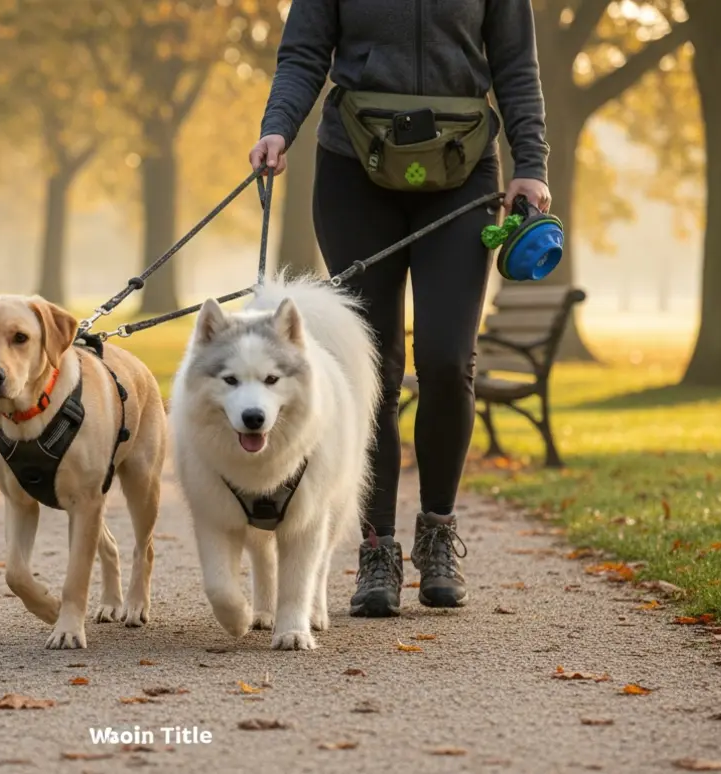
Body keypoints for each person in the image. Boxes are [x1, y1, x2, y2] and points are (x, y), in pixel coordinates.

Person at [251, 0, 551, 617]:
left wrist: (532, 163)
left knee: (446, 361)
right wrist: (278, 126)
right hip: (354, 171)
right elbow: (304, 51)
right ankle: (376, 546)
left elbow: (516, 64)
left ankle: (438, 530)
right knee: (372, 371)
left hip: (463, 171)